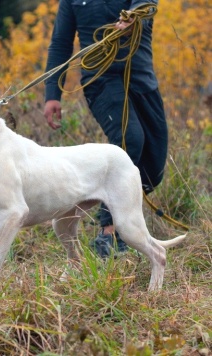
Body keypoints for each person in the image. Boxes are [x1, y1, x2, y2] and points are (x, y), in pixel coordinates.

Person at [44, 0, 168, 258]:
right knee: (129, 139)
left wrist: (133, 17)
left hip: (142, 79)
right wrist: (52, 94)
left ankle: (122, 212)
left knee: (153, 166)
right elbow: (60, 43)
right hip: (100, 81)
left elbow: (147, 3)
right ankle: (109, 232)